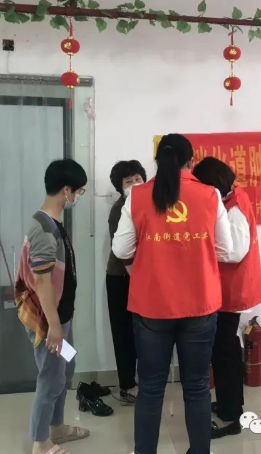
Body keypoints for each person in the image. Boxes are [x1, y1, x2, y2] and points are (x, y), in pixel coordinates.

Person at [112, 134, 234, 454]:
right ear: (191, 162)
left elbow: (121, 249)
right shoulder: (210, 195)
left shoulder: (137, 195)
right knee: (197, 387)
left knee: (151, 389)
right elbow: (227, 250)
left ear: (156, 162)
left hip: (151, 306)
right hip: (200, 304)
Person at [15, 159, 90, 454]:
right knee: (50, 376)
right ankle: (40, 441)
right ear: (66, 190)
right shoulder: (45, 230)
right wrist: (54, 327)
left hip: (62, 318)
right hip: (49, 321)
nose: (78, 197)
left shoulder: (53, 222)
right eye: (79, 191)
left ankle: (57, 426)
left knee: (66, 367)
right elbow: (43, 282)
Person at [192, 157, 261, 440]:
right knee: (223, 349)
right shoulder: (231, 201)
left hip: (231, 290)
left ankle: (232, 414)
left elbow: (234, 252)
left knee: (225, 350)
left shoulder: (235, 207)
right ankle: (227, 403)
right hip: (225, 289)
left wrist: (203, 248)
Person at [106, 160, 147, 405]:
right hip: (121, 278)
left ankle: (144, 382)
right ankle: (127, 385)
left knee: (144, 332)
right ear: (120, 187)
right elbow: (122, 251)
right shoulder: (118, 210)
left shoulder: (150, 203)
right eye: (128, 181)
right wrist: (139, 279)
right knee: (123, 333)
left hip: (142, 277)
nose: (134, 184)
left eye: (137, 178)